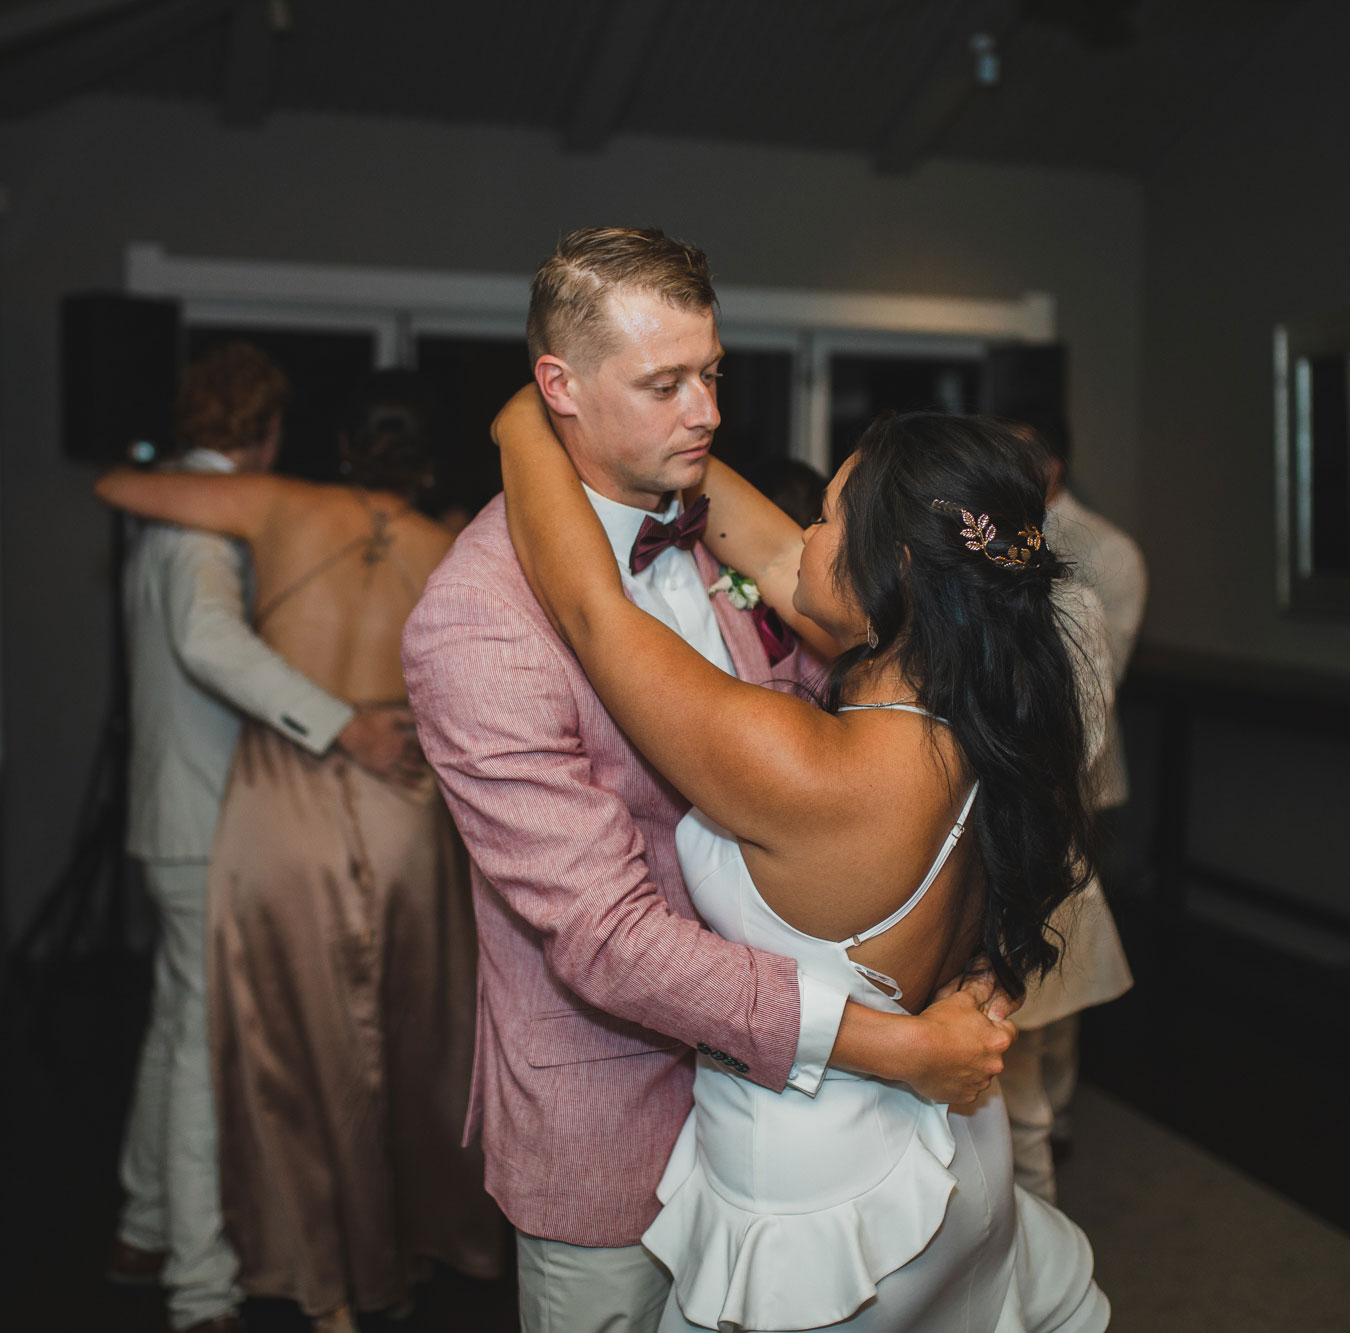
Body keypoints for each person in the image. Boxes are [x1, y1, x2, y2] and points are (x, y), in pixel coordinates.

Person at [400, 227, 1041, 1332]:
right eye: (663, 384)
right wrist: (891, 1037)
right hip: (614, 1126)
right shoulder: (474, 624)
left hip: (801, 1131)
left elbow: (834, 697)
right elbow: (605, 937)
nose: (703, 412)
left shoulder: (709, 531)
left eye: (711, 374)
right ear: (558, 384)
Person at [493, 380, 1111, 1331]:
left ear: (891, 568)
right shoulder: (995, 706)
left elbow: (588, 609)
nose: (805, 532)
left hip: (833, 1224)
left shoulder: (810, 765)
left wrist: (528, 419)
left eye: (828, 514)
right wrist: (648, 420)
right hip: (955, 1164)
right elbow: (775, 551)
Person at [95, 376, 505, 1331]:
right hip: (403, 796)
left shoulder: (280, 503)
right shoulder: (457, 547)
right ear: (430, 457)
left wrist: (167, 459)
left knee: (287, 1043)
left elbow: (116, 488)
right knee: (397, 1041)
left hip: (280, 800)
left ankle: (306, 1278)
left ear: (340, 443)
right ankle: (378, 1263)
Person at [996, 413, 1140, 1200]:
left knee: (1051, 993)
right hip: (982, 849)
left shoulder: (1087, 577)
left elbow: (1081, 720)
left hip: (1052, 814)